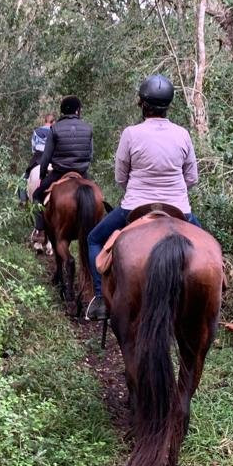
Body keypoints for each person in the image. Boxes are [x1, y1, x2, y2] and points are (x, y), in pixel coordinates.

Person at [85, 74, 201, 321]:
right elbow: (192, 178)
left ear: (143, 104)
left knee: (94, 239)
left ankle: (100, 299)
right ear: (168, 105)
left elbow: (120, 176)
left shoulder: (130, 133)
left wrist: (137, 190)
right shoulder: (183, 134)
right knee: (209, 247)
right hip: (179, 208)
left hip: (135, 206)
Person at [31, 96, 94, 244]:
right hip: (82, 173)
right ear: (77, 110)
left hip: (59, 172)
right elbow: (91, 155)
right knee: (98, 198)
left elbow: (46, 157)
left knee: (37, 196)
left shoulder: (55, 128)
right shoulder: (87, 128)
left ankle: (40, 229)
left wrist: (42, 175)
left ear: (62, 111)